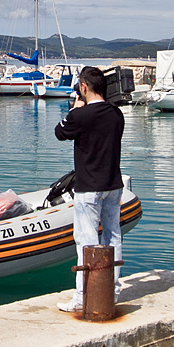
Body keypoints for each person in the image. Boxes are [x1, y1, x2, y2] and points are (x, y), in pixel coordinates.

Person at [54, 66, 125, 312]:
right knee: (113, 236)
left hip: (89, 187)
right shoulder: (117, 114)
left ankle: (83, 296)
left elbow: (60, 132)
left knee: (86, 240)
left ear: (83, 87)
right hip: (113, 184)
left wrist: (75, 109)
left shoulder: (80, 116)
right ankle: (112, 291)